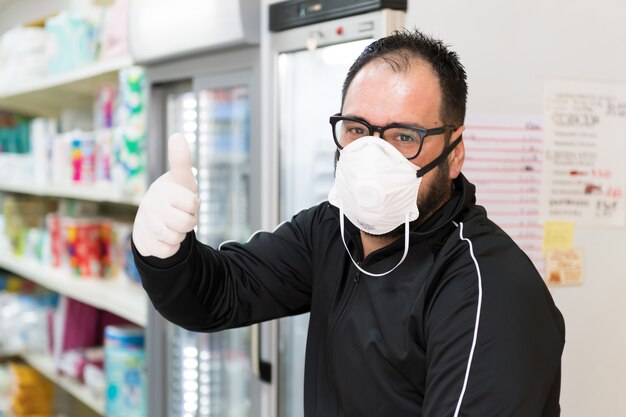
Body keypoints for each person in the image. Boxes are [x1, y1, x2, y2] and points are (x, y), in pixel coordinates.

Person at [132, 29, 565, 417]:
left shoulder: (488, 288)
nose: (373, 157)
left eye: (403, 136)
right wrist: (163, 249)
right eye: (357, 130)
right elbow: (217, 294)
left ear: (454, 154)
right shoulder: (331, 231)